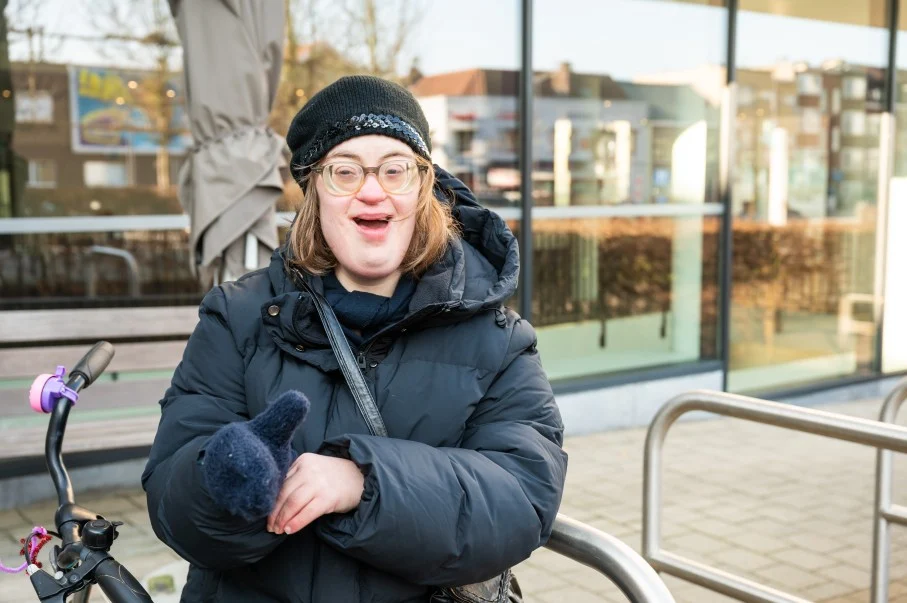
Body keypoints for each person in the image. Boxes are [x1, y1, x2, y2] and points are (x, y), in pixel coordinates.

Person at [142, 75, 568, 603]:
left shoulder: (497, 338)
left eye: (395, 169)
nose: (373, 190)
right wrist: (220, 482)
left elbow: (522, 499)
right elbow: (172, 505)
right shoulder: (235, 317)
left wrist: (363, 482)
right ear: (315, 190)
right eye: (345, 171)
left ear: (424, 186)